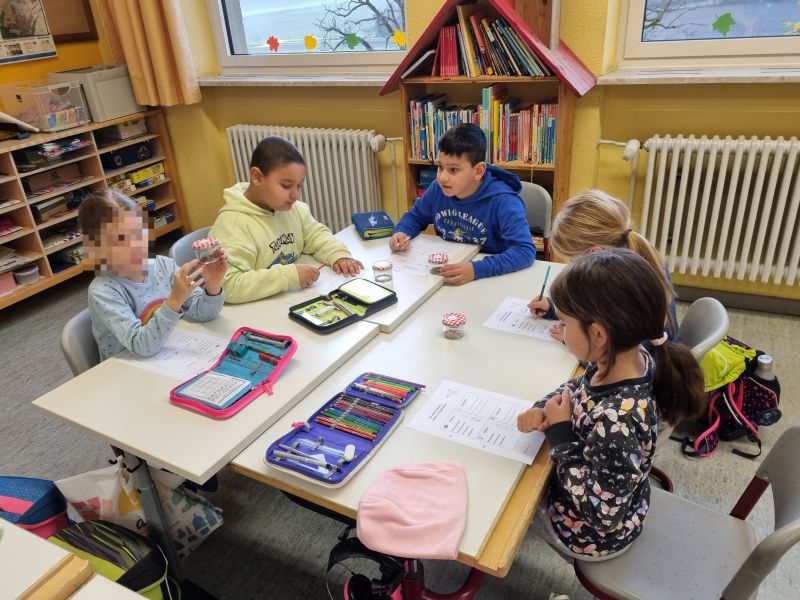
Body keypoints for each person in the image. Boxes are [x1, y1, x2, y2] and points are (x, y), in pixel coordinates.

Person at [518, 248, 705, 560]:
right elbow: (580, 386)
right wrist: (545, 404)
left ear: (598, 335)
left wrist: (561, 435)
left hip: (591, 534)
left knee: (509, 505)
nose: (562, 330)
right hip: (609, 491)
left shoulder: (618, 421)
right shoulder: (626, 358)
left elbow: (601, 514)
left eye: (564, 323)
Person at [210, 136, 363, 303]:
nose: (295, 195)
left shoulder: (291, 208)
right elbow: (228, 286)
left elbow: (315, 234)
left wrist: (337, 254)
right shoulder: (233, 227)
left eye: (299, 186)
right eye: (286, 185)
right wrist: (289, 276)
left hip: (289, 300)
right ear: (257, 177)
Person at [80, 189, 226, 360]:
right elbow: (142, 346)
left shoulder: (164, 266)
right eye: (120, 239)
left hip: (168, 357)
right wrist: (174, 301)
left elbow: (205, 313)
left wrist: (213, 285)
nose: (135, 245)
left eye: (138, 232)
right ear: (94, 246)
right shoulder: (103, 291)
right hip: (127, 368)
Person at [389, 123, 535, 285]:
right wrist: (402, 232)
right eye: (440, 167)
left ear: (478, 171)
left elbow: (524, 251)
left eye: (453, 170)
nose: (442, 177)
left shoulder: (504, 201)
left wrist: (476, 269)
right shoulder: (437, 189)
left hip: (489, 277)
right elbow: (415, 217)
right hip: (450, 271)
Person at [528, 190, 679, 342]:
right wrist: (554, 308)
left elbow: (625, 350)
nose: (572, 265)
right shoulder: (616, 266)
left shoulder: (624, 286)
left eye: (573, 259)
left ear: (594, 253)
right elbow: (591, 310)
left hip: (652, 355)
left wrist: (573, 340)